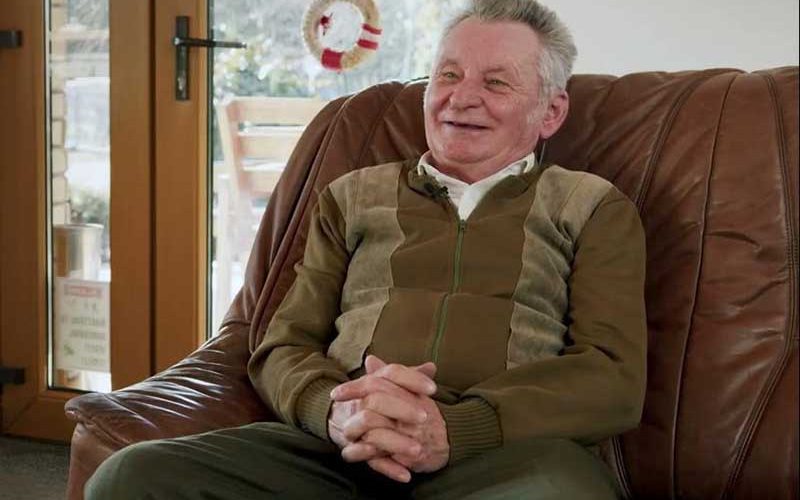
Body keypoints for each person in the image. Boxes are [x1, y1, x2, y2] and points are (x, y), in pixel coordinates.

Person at [86, 0, 646, 498]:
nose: (461, 97)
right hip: (337, 451)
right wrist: (337, 410)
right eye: (448, 74)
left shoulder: (591, 207)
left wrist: (455, 428)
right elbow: (282, 346)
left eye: (496, 83)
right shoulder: (352, 197)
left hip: (501, 459)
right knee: (132, 476)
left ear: (551, 111)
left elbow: (612, 377)